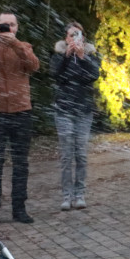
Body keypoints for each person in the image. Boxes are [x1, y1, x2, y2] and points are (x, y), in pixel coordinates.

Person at [0, 11, 41, 226]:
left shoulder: (24, 47)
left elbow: (33, 66)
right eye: (4, 25)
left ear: (17, 27)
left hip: (21, 112)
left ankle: (19, 208)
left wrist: (15, 44)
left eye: (11, 25)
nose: (8, 29)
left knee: (20, 163)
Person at [49, 22, 100, 211]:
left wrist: (82, 57)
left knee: (81, 154)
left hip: (84, 112)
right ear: (66, 38)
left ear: (83, 38)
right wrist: (67, 56)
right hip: (63, 110)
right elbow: (55, 74)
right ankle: (66, 195)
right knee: (66, 155)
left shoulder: (91, 56)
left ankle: (79, 194)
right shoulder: (58, 55)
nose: (74, 38)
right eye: (71, 35)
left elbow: (94, 75)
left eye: (77, 35)